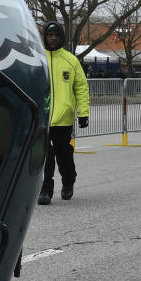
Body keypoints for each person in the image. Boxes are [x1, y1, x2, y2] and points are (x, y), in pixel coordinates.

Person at [39, 21, 90, 205]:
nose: (53, 38)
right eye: (50, 35)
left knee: (63, 154)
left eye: (56, 35)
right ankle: (45, 189)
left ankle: (68, 181)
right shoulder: (37, 59)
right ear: (45, 37)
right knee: (45, 155)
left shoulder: (71, 60)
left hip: (63, 118)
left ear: (61, 38)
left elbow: (81, 87)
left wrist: (83, 112)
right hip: (41, 118)